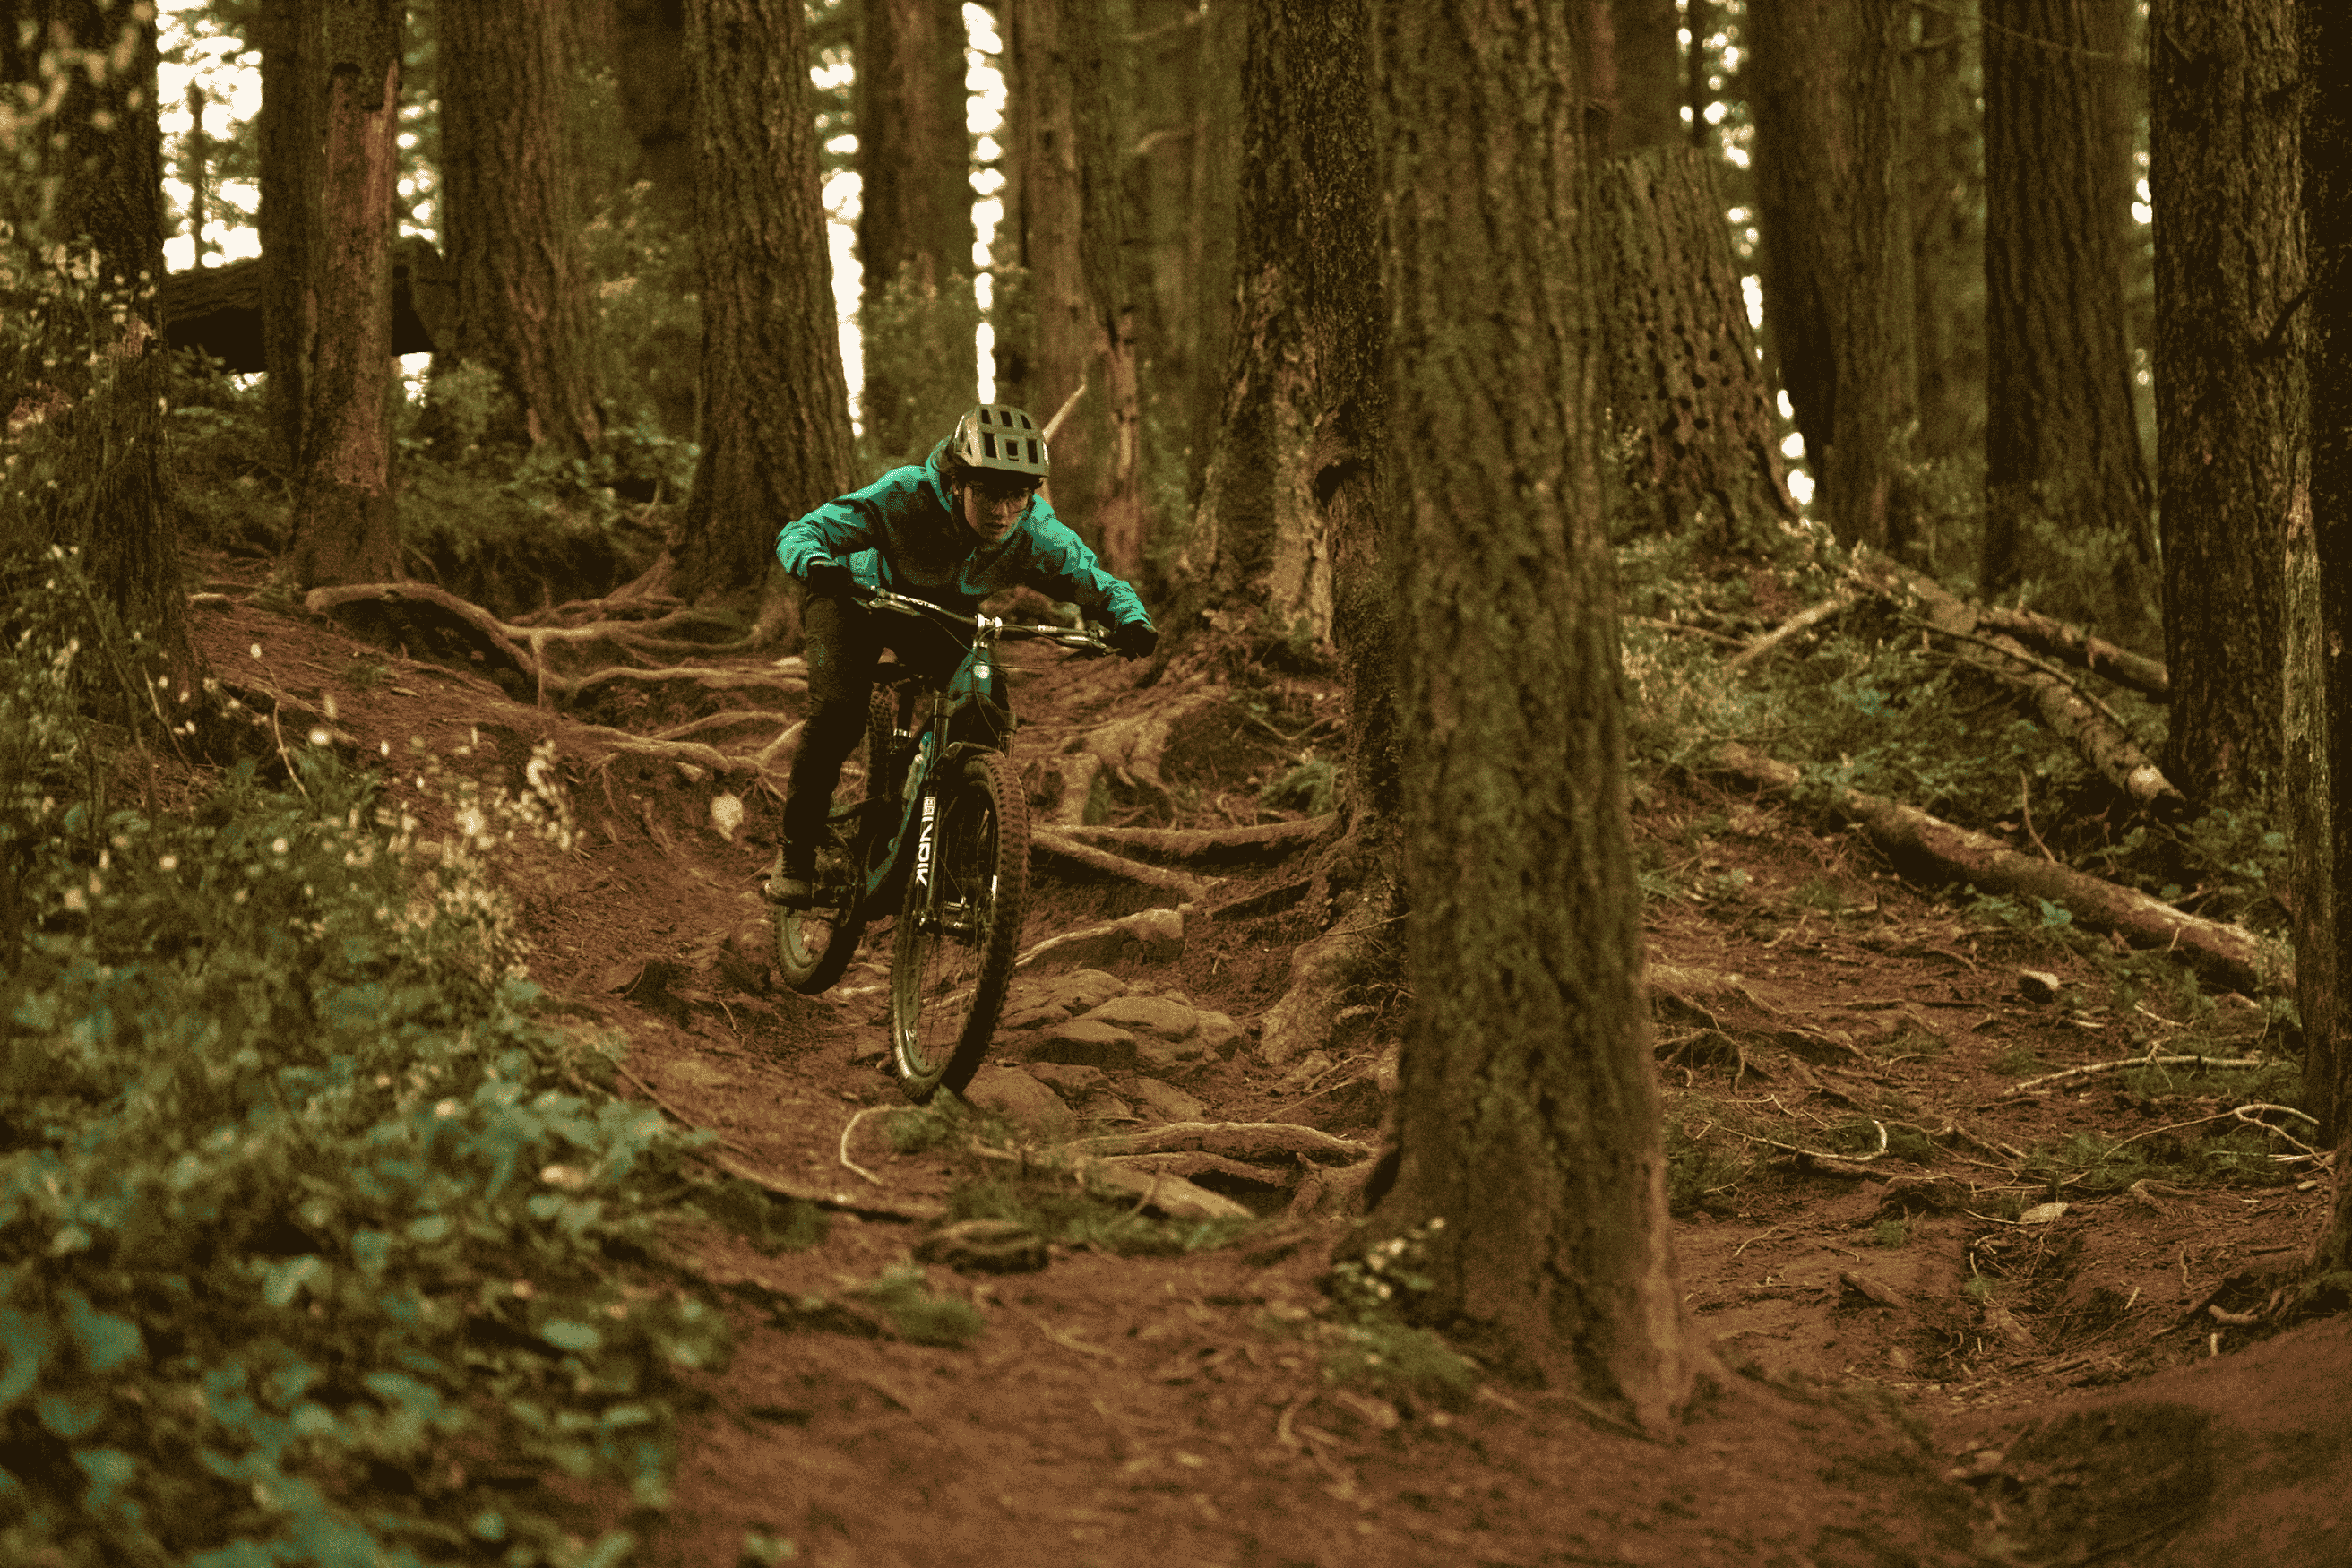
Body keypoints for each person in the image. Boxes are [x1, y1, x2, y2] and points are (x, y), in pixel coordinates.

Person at [767, 403, 1159, 906]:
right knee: (838, 715)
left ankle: (958, 855)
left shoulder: (1034, 531)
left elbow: (1099, 583)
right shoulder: (905, 494)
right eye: (989, 493)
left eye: (1016, 495)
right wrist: (815, 563)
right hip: (852, 595)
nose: (1002, 511)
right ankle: (796, 851)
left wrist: (1131, 619)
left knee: (987, 703)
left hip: (934, 612)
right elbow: (804, 531)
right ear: (957, 484)